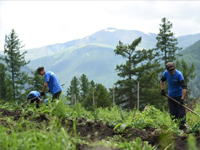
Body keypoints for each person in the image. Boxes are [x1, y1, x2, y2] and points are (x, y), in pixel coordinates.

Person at [160, 62, 187, 130]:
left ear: (174, 68)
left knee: (181, 114)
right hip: (171, 96)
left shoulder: (179, 74)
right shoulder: (166, 73)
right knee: (173, 113)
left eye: (173, 70)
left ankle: (183, 127)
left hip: (179, 96)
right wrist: (162, 90)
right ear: (167, 70)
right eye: (170, 71)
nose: (172, 72)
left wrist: (182, 98)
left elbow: (184, 87)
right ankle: (175, 127)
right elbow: (162, 81)